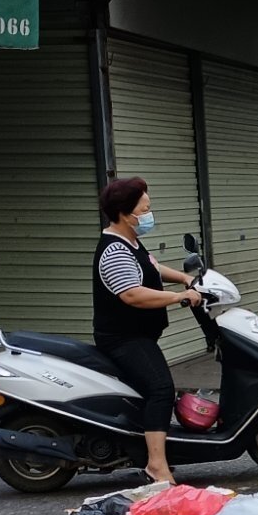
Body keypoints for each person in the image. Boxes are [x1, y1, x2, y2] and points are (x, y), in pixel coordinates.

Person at [93, 177, 203, 487]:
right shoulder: (113, 250)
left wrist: (184, 278)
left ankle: (149, 451)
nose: (149, 215)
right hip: (123, 338)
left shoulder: (130, 242)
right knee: (161, 389)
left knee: (150, 390)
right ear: (127, 214)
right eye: (145, 209)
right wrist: (179, 296)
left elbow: (152, 267)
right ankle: (156, 465)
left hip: (139, 334)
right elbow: (132, 294)